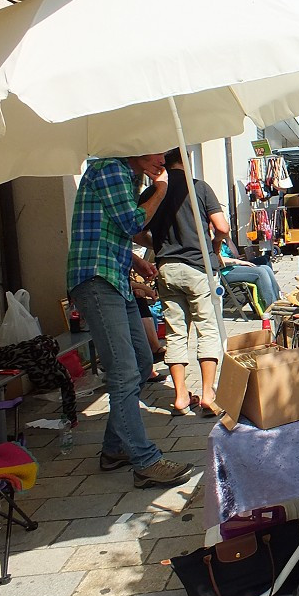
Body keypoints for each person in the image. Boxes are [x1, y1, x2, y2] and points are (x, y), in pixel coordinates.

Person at [66, 154, 193, 489]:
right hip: (97, 280)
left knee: (139, 363)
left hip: (112, 279)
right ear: (136, 145)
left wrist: (134, 265)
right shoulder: (110, 167)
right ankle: (145, 461)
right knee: (123, 372)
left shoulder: (125, 172)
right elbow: (131, 222)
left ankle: (114, 449)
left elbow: (108, 230)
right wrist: (161, 190)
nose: (162, 159)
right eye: (157, 150)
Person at [140, 149, 226, 417]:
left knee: (176, 332)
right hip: (198, 267)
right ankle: (209, 394)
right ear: (186, 157)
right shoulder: (198, 187)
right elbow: (222, 226)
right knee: (207, 329)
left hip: (167, 268)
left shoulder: (152, 192)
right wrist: (215, 244)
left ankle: (179, 396)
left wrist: (158, 245)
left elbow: (135, 230)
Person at [219, 239, 282, 310]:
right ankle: (271, 307)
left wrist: (227, 237)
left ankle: (279, 300)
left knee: (266, 268)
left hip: (233, 268)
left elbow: (236, 255)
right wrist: (238, 262)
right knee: (260, 272)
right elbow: (218, 259)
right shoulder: (211, 241)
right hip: (225, 272)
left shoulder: (222, 241)